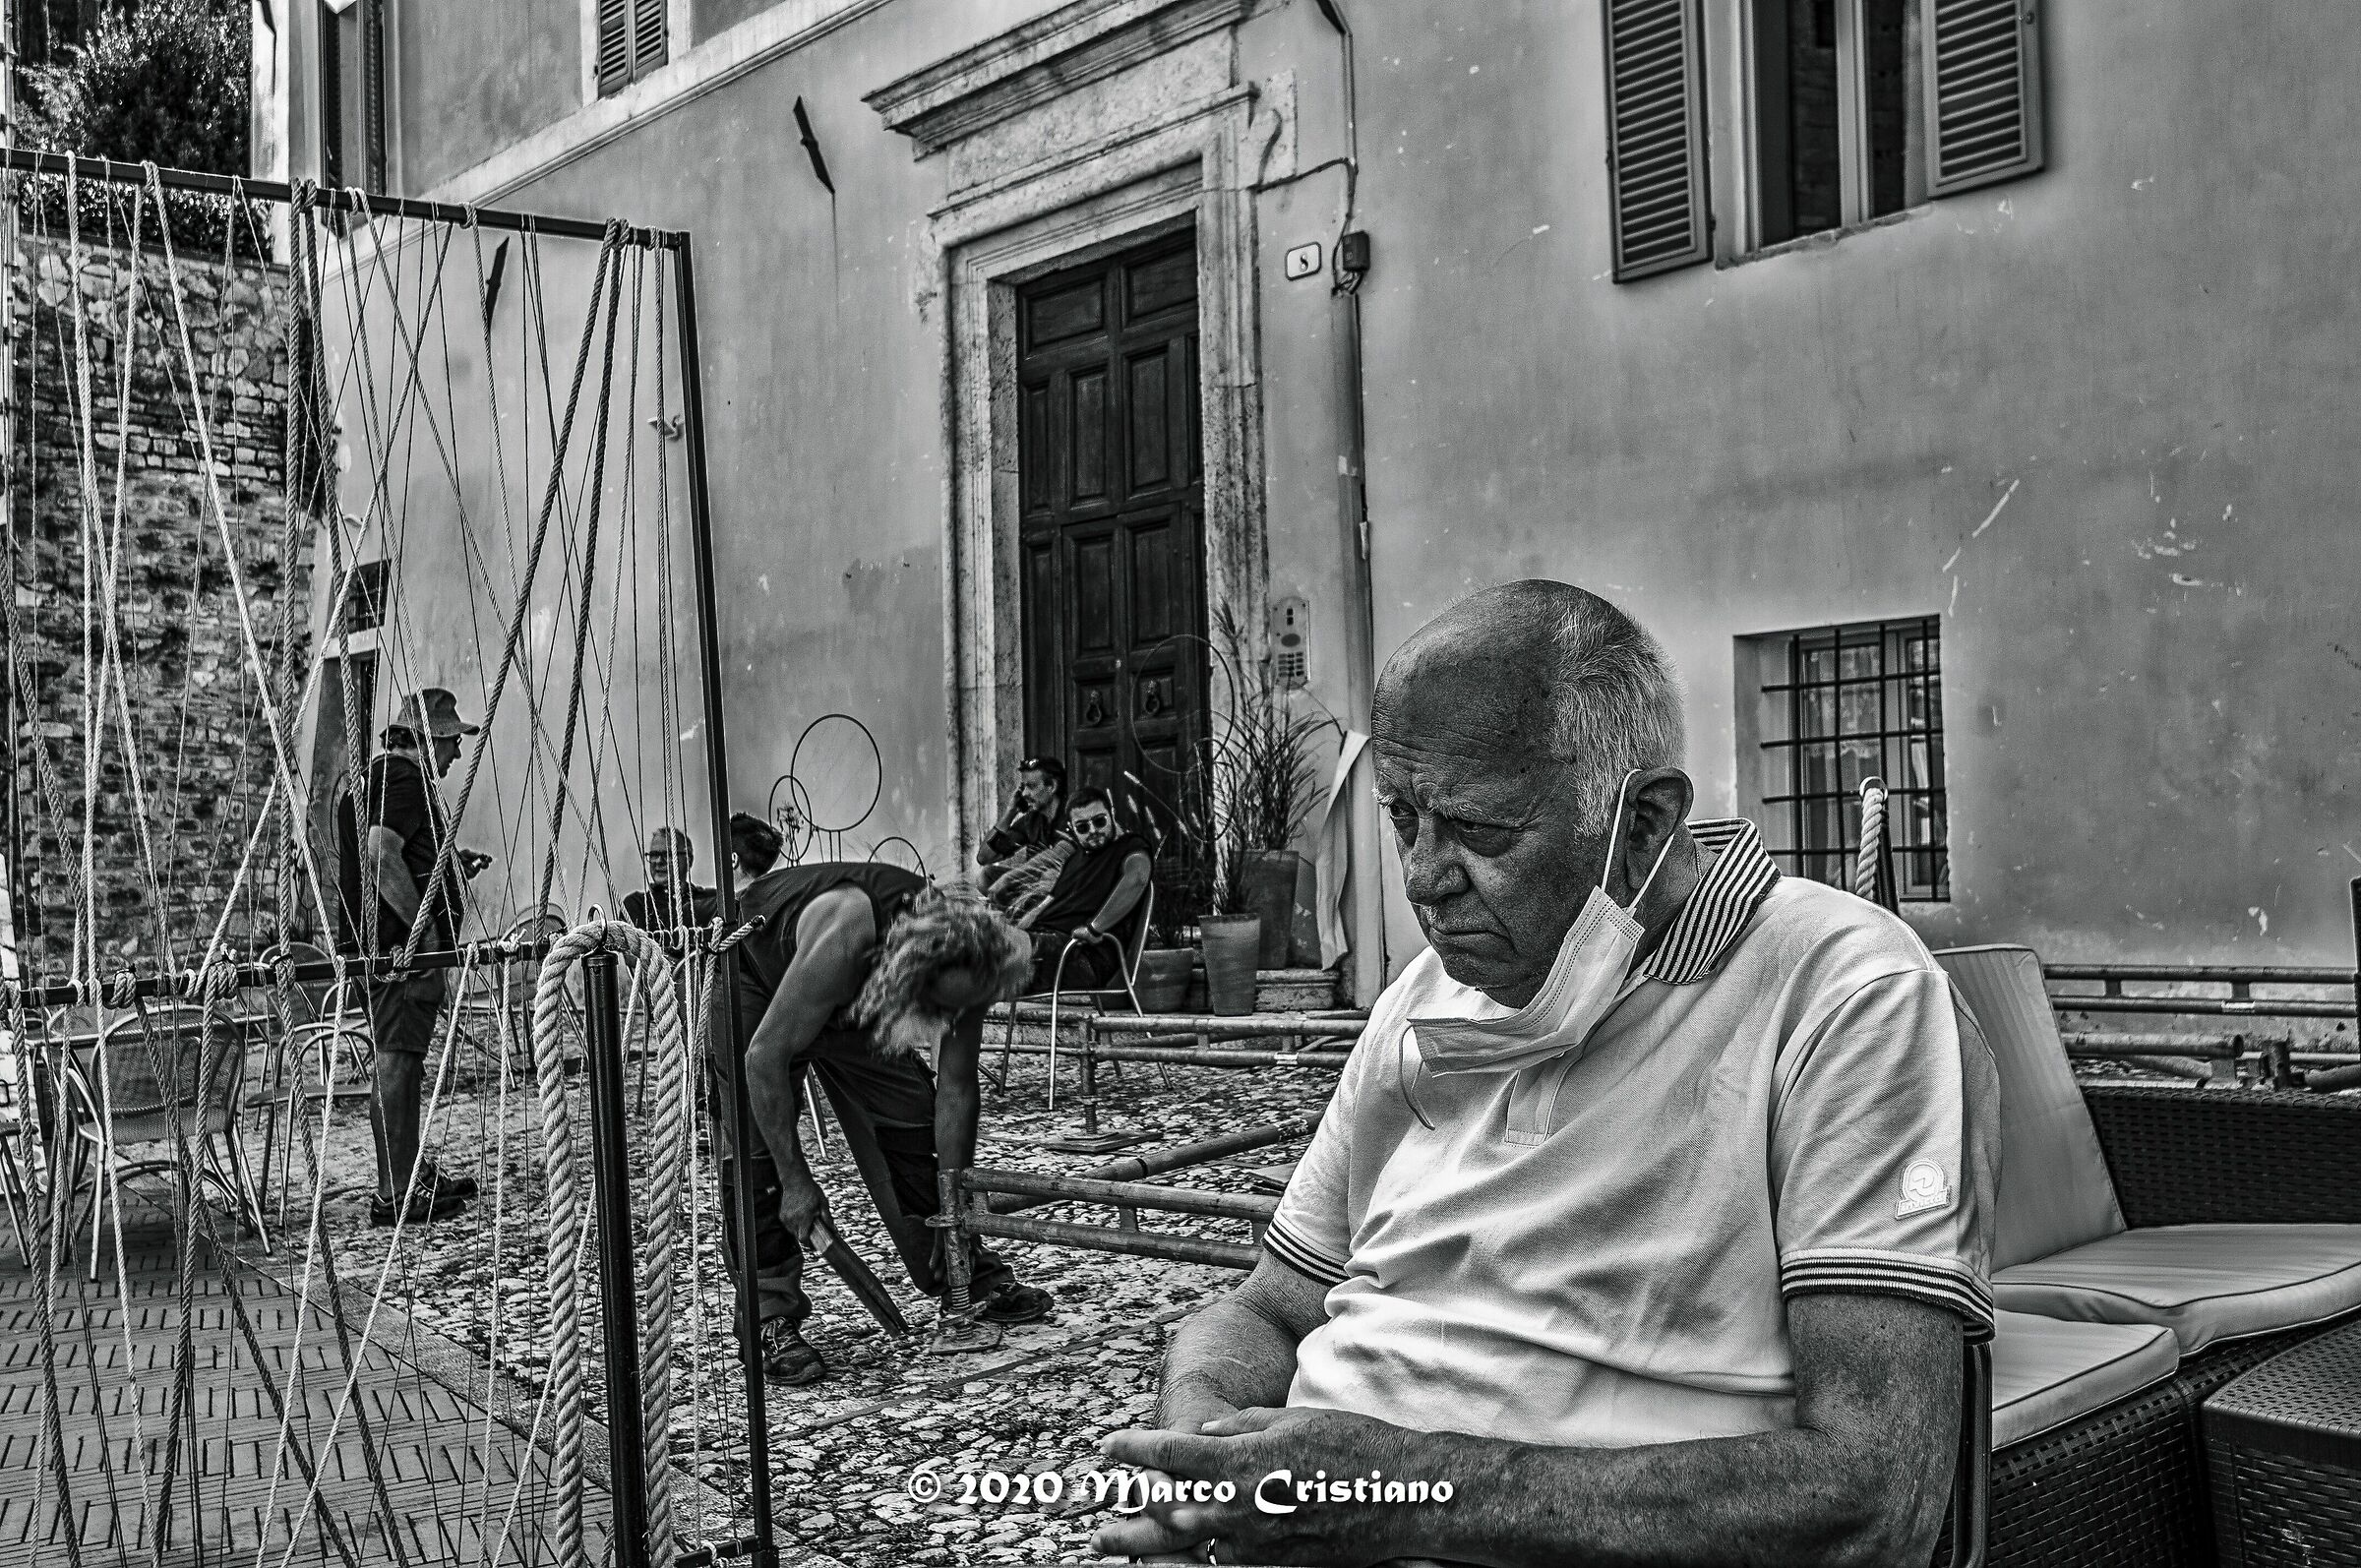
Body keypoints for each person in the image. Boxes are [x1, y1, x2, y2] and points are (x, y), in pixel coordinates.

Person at [1098, 581, 1998, 1567]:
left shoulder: (1841, 987)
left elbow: (1877, 1494)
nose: (1422, 876)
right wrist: (1199, 1438)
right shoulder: (1421, 998)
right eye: (1403, 817)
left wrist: (1404, 1494)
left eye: (1480, 832)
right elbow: (1266, 1309)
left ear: (1645, 823)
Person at [711, 813, 1055, 1385]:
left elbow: (957, 1089)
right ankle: (769, 1317)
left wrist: (955, 1198)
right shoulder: (847, 931)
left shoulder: (972, 954)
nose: (944, 1022)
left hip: (865, 998)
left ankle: (960, 1270)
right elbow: (761, 1060)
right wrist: (798, 1183)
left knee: (910, 1113)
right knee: (756, 1150)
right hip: (757, 980)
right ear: (910, 973)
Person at [333, 688, 496, 1228]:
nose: (454, 757)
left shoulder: (376, 779)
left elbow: (393, 852)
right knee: (398, 1064)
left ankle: (405, 1173)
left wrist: (448, 866)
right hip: (402, 955)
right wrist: (422, 934)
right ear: (429, 740)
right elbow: (380, 855)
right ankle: (396, 1192)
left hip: (383, 951)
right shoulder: (402, 779)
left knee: (399, 1061)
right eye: (451, 744)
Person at [1017, 786, 1151, 994]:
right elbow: (1047, 903)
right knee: (977, 950)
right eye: (1082, 827)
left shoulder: (1130, 847)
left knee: (987, 953)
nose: (1093, 831)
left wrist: (1094, 928)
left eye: (1099, 821)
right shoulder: (1073, 861)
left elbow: (1137, 878)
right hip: (1044, 947)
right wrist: (1017, 929)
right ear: (1071, 828)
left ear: (1111, 814)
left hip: (1081, 955)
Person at [975, 754, 1068, 889]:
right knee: (986, 876)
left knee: (1049, 876)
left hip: (1065, 887)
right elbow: (984, 857)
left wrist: (1010, 878)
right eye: (1023, 787)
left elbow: (1058, 859)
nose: (1024, 794)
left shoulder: (1072, 813)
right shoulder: (1032, 821)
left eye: (1031, 786)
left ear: (1052, 786)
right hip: (1037, 886)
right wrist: (1010, 813)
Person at [623, 824, 716, 935]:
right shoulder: (636, 905)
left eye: (667, 855)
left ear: (688, 860)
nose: (658, 861)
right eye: (654, 855)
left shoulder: (712, 900)